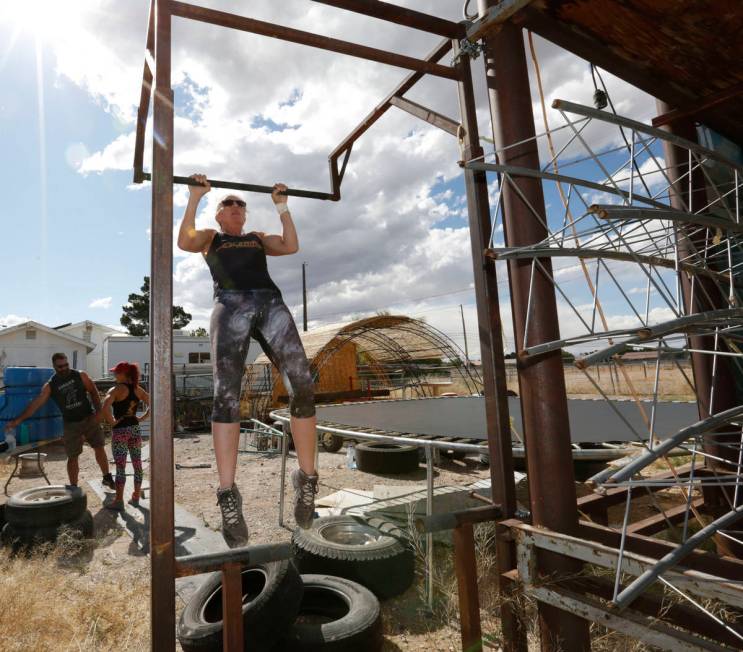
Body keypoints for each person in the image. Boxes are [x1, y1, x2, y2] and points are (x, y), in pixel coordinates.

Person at [177, 174, 318, 547]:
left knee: (303, 384)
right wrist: (194, 197)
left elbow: (290, 245)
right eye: (229, 203)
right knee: (226, 395)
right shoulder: (212, 237)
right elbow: (184, 240)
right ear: (220, 214)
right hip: (230, 305)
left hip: (269, 302)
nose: (236, 206)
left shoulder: (256, 237)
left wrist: (282, 206)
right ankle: (228, 494)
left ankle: (307, 480)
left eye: (241, 203)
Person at [4, 353, 115, 489]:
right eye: (60, 366)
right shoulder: (51, 385)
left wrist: (99, 413)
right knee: (73, 456)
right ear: (55, 367)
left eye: (66, 365)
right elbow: (35, 405)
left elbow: (93, 391)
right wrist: (17, 421)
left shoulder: (80, 375)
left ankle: (107, 477)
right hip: (70, 424)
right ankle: (74, 487)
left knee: (99, 448)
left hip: (89, 418)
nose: (64, 368)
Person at [101, 361, 150, 511]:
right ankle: (135, 496)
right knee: (137, 465)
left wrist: (113, 422)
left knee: (121, 467)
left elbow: (104, 407)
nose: (114, 374)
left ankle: (118, 501)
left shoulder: (115, 390)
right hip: (135, 429)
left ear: (125, 374)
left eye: (117, 372)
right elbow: (153, 403)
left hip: (120, 432)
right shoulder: (138, 390)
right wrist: (141, 419)